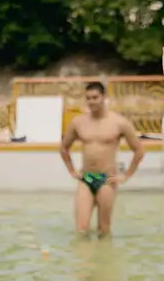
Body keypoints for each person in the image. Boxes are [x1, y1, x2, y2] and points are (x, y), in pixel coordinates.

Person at [60, 82, 145, 236]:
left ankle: (104, 252)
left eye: (95, 97)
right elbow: (64, 148)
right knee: (81, 229)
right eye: (88, 98)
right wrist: (72, 171)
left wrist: (126, 176)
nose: (91, 101)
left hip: (107, 180)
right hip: (86, 178)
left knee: (103, 230)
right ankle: (84, 252)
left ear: (104, 97)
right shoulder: (78, 122)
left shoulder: (119, 122)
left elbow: (139, 150)